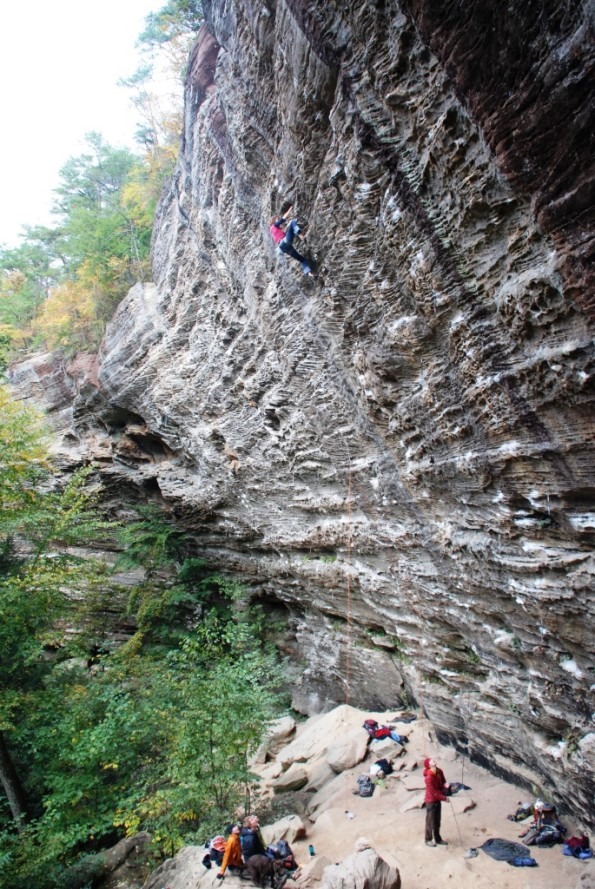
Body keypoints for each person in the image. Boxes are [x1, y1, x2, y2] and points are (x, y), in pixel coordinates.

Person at [269, 207, 316, 277]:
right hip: (285, 242)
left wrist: (287, 228)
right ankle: (300, 235)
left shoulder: (272, 231)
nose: (278, 221)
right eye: (277, 219)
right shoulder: (274, 226)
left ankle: (309, 273)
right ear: (274, 221)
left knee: (302, 259)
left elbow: (285, 232)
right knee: (293, 221)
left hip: (284, 249)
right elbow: (283, 219)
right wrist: (289, 210)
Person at [423, 757, 450, 846]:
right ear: (429, 765)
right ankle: (428, 839)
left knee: (437, 820)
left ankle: (438, 838)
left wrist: (446, 786)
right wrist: (444, 798)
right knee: (430, 821)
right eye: (431, 761)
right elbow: (433, 793)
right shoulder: (429, 777)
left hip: (437, 799)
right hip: (431, 801)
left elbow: (443, 781)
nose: (433, 760)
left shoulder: (439, 771)